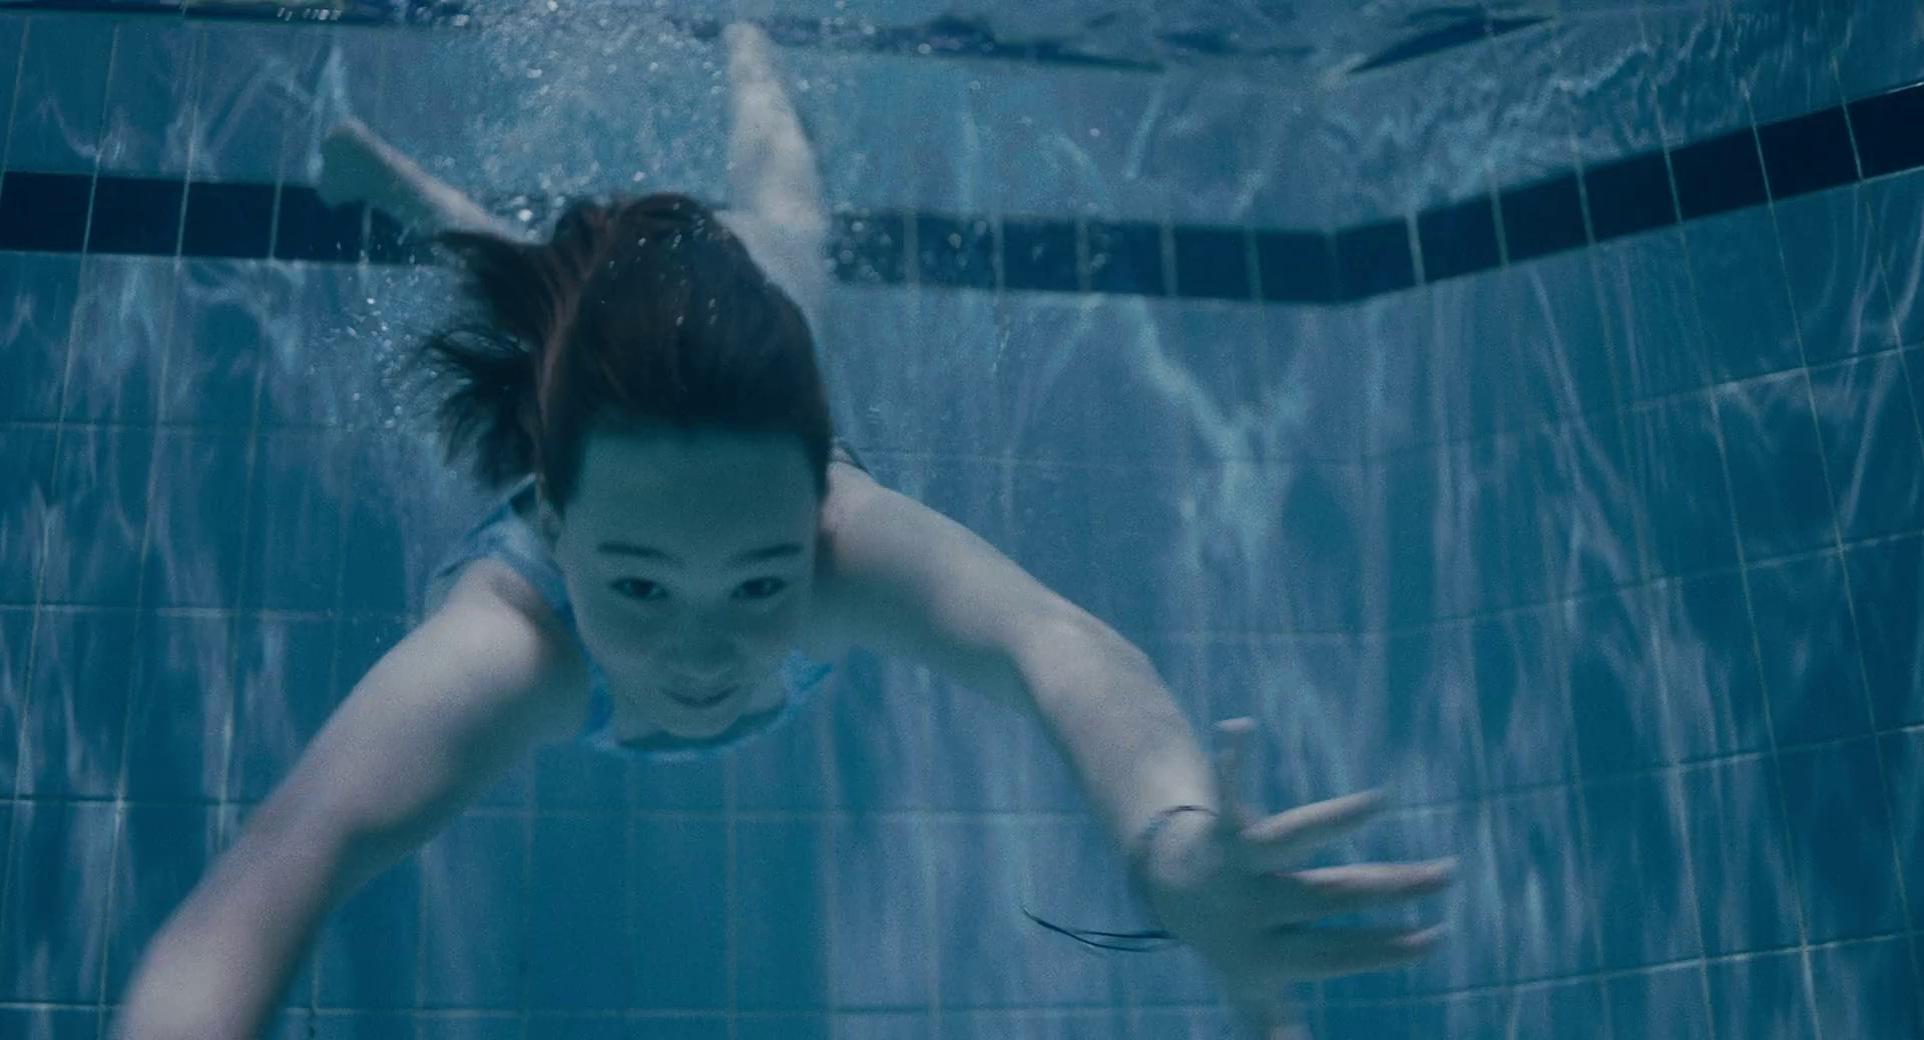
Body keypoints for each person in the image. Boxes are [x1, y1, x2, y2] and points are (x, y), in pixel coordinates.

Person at [116, 23, 1453, 1039]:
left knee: (789, 247)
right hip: (594, 446)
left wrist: (1170, 845)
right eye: (637, 588)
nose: (703, 653)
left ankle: (750, 39)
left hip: (733, 408)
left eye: (763, 582)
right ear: (552, 519)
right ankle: (442, 217)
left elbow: (1060, 647)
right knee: (533, 305)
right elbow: (279, 868)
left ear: (815, 504)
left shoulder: (844, 545)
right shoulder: (508, 642)